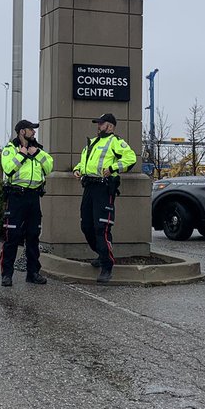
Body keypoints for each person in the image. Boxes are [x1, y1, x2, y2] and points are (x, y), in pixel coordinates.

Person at [73, 112, 137, 284]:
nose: (98, 126)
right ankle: (102, 254)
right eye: (98, 124)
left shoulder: (116, 142)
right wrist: (77, 170)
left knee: (102, 228)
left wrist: (113, 167)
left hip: (104, 188)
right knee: (86, 226)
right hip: (89, 187)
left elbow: (131, 159)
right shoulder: (92, 143)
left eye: (100, 124)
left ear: (109, 126)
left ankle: (107, 266)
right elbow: (85, 162)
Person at [0, 119, 54, 288]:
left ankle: (33, 273)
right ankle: (7, 275)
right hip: (16, 197)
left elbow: (49, 167)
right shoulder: (10, 149)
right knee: (12, 237)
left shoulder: (39, 150)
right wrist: (22, 154)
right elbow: (8, 168)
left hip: (33, 198)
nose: (34, 132)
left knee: (33, 236)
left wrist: (36, 153)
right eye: (31, 130)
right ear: (22, 131)